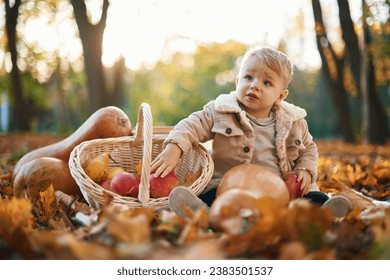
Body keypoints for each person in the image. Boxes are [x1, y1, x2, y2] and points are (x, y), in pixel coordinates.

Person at [151, 46, 352, 218]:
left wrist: (306, 170)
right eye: (248, 77)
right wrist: (175, 147)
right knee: (209, 196)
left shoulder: (293, 121)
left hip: (279, 194)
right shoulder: (221, 110)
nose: (254, 85)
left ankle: (321, 214)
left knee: (314, 198)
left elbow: (308, 148)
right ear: (238, 82)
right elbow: (191, 124)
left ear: (280, 96)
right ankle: (200, 212)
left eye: (267, 83)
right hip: (227, 188)